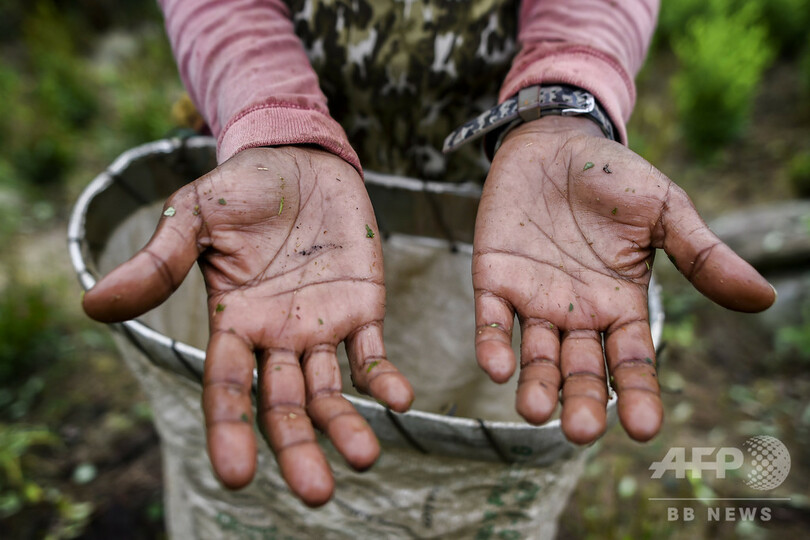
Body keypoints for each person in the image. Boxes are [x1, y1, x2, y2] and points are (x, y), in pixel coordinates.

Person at [82, 0, 775, 514]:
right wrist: (270, 118)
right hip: (282, 196)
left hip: (505, 201)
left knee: (464, 390)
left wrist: (566, 100)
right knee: (280, 422)